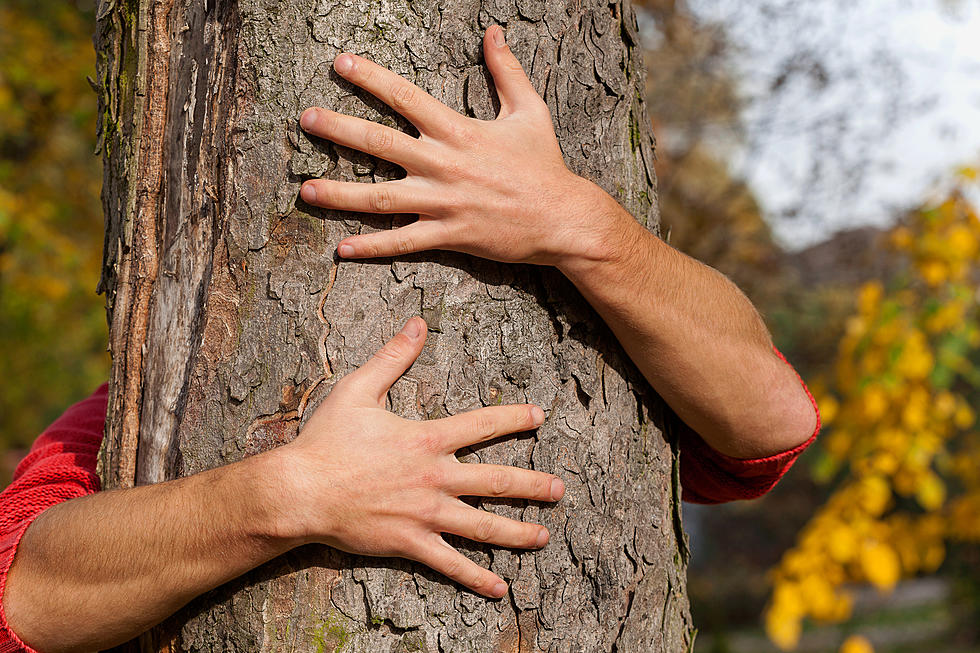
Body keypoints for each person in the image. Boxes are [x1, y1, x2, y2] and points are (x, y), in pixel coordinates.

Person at [0, 26, 819, 653]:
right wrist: (292, 493)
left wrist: (579, 224)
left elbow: (768, 430)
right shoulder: (152, 405)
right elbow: (18, 584)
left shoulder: (602, 323)